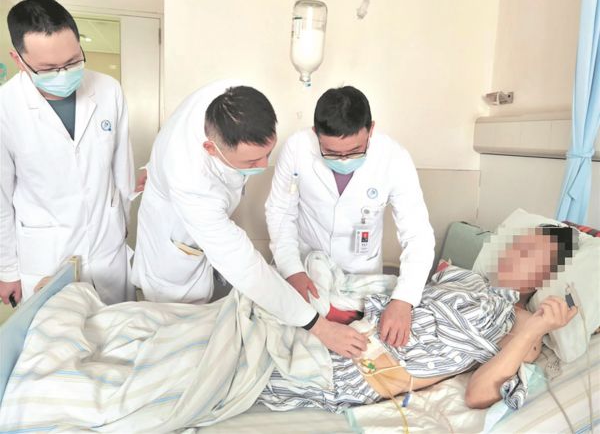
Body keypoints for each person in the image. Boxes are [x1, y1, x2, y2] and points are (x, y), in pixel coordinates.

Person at [131, 80, 367, 358]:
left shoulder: (227, 98)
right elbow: (244, 266)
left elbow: (173, 127)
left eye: (267, 154)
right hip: (173, 243)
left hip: (186, 190)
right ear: (210, 148)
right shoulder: (191, 180)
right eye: (252, 162)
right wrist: (320, 328)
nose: (264, 166)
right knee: (179, 337)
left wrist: (155, 166)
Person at [258, 225, 579, 413]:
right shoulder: (469, 280)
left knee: (251, 366)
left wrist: (537, 328)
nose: (513, 253)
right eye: (518, 245)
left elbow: (478, 394)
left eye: (529, 253)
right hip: (348, 329)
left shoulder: (522, 323)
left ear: (545, 277)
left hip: (357, 367)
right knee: (261, 314)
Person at [266, 86, 435, 348]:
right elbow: (280, 212)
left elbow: (417, 234)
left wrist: (404, 299)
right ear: (316, 133)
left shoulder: (394, 158)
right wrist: (292, 270)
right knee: (297, 339)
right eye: (332, 153)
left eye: (355, 150)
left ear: (371, 129)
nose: (343, 160)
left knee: (364, 344)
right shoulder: (297, 148)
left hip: (361, 274)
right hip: (308, 269)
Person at [0, 0, 134, 305]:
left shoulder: (109, 90)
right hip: (46, 256)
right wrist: (7, 269)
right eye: (48, 68)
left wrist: (120, 224)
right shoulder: (5, 107)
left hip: (107, 250)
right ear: (18, 59)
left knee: (117, 327)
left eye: (73, 62)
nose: (64, 74)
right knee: (56, 331)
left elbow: (122, 170)